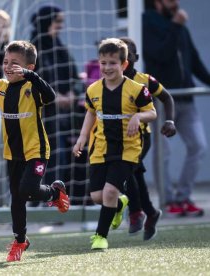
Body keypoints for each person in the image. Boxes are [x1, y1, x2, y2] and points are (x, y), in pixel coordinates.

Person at [0, 40, 70, 262]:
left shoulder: (32, 86)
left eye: (15, 63)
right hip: (13, 154)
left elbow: (50, 96)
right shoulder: (0, 87)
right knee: (17, 199)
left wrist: (31, 76)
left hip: (36, 151)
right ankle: (20, 240)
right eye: (5, 62)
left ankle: (54, 193)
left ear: (29, 68)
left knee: (28, 189)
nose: (8, 66)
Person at [73, 38, 157, 250]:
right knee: (96, 196)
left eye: (112, 63)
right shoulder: (92, 90)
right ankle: (120, 205)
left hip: (128, 149)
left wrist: (138, 117)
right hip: (100, 148)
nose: (107, 67)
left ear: (124, 64)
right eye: (103, 63)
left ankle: (100, 237)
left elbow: (152, 112)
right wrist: (83, 137)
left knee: (109, 192)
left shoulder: (137, 89)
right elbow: (91, 113)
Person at [143, 0, 209, 216]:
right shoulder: (148, 22)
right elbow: (160, 55)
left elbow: (195, 61)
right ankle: (167, 200)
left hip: (186, 98)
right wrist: (176, 26)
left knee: (198, 146)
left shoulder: (178, 25)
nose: (176, 3)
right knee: (164, 152)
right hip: (162, 102)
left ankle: (183, 197)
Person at [119, 37, 176, 240]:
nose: (124, 56)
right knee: (135, 175)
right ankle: (151, 212)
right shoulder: (109, 82)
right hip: (118, 137)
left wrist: (170, 120)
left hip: (142, 137)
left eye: (128, 52)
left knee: (126, 169)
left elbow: (167, 97)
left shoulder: (145, 80)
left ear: (135, 57)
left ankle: (136, 212)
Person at [30, 6, 83, 191]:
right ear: (46, 22)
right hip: (41, 117)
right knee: (43, 159)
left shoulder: (61, 49)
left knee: (62, 158)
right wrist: (53, 98)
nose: (60, 26)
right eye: (57, 21)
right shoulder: (32, 50)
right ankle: (40, 198)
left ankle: (56, 197)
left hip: (65, 116)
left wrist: (73, 94)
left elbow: (75, 78)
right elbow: (29, 82)